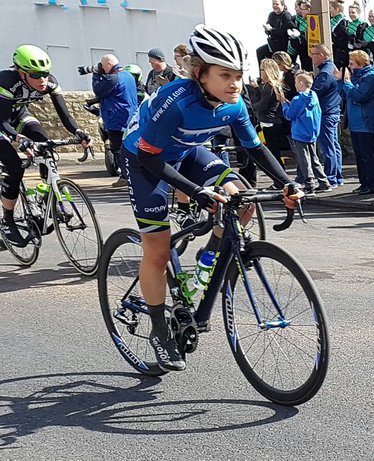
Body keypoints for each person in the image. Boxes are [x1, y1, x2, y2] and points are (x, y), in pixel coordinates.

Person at [120, 25, 302, 371]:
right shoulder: (175, 101)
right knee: (157, 252)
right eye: (224, 75)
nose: (234, 83)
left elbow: (254, 147)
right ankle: (159, 330)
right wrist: (195, 191)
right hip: (146, 160)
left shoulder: (234, 104)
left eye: (238, 75)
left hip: (187, 152)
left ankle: (207, 259)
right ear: (200, 74)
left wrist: (287, 183)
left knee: (243, 201)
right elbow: (149, 156)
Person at [0, 45, 91, 246]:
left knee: (45, 144)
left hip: (19, 115)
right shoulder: (6, 81)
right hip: (1, 120)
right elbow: (4, 122)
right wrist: (19, 139)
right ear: (21, 73)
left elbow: (64, 115)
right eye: (35, 75)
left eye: (45, 74)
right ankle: (7, 220)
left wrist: (78, 132)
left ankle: (52, 198)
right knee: (14, 167)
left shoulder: (49, 83)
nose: (42, 80)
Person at [334, 50, 374, 194]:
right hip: (355, 122)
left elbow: (360, 96)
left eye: (352, 63)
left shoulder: (371, 77)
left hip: (366, 122)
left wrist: (347, 84)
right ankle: (364, 183)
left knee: (367, 155)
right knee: (359, 155)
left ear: (360, 63)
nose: (350, 66)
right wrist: (340, 82)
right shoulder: (355, 76)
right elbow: (345, 94)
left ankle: (373, 185)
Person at [280, 71, 330, 195]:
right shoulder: (314, 96)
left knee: (304, 160)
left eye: (296, 82)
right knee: (314, 158)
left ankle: (309, 184)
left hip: (300, 133)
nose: (295, 85)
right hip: (312, 132)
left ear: (301, 83)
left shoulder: (297, 99)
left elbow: (289, 115)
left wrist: (284, 105)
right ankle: (324, 182)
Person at [91, 54, 138, 188]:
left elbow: (98, 90)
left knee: (118, 149)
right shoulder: (128, 75)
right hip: (129, 116)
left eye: (103, 66)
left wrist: (95, 74)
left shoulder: (112, 78)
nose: (101, 68)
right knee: (130, 147)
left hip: (117, 119)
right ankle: (130, 175)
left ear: (109, 65)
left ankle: (126, 176)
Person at [311, 44, 344, 188]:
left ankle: (331, 178)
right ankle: (337, 177)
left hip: (326, 112)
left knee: (328, 146)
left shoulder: (325, 73)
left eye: (314, 54)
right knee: (334, 145)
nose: (312, 57)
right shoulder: (331, 68)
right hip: (333, 110)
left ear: (322, 55)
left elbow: (314, 92)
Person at [257, 58, 289, 168]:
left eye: (261, 69)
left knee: (272, 154)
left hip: (269, 122)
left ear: (267, 71)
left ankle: (280, 179)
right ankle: (281, 178)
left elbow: (262, 106)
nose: (260, 72)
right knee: (274, 152)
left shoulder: (269, 86)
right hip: (275, 122)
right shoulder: (276, 85)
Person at [287, 0, 312, 70]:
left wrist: (300, 35)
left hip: (309, 48)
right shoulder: (294, 18)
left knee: (308, 67)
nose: (301, 11)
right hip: (297, 47)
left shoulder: (312, 19)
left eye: (302, 9)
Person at [329, 0, 350, 69]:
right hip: (333, 51)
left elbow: (344, 40)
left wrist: (332, 38)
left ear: (337, 9)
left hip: (340, 55)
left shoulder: (343, 22)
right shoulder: (331, 20)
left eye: (330, 8)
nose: (329, 10)